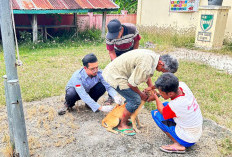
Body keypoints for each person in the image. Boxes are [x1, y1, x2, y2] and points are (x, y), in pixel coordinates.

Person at [102, 49, 178, 135]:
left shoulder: (153, 57)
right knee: (135, 100)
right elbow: (131, 84)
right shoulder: (146, 65)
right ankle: (122, 124)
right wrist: (141, 95)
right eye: (163, 71)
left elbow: (147, 73)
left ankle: (126, 116)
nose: (161, 72)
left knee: (131, 97)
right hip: (114, 76)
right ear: (161, 64)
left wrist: (150, 87)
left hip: (117, 71)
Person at [150, 73, 203, 153]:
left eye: (161, 93)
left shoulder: (176, 105)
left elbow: (161, 110)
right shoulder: (182, 85)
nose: (160, 93)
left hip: (188, 139)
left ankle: (178, 144)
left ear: (170, 93)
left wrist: (155, 96)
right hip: (196, 132)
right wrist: (152, 87)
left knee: (156, 114)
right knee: (165, 105)